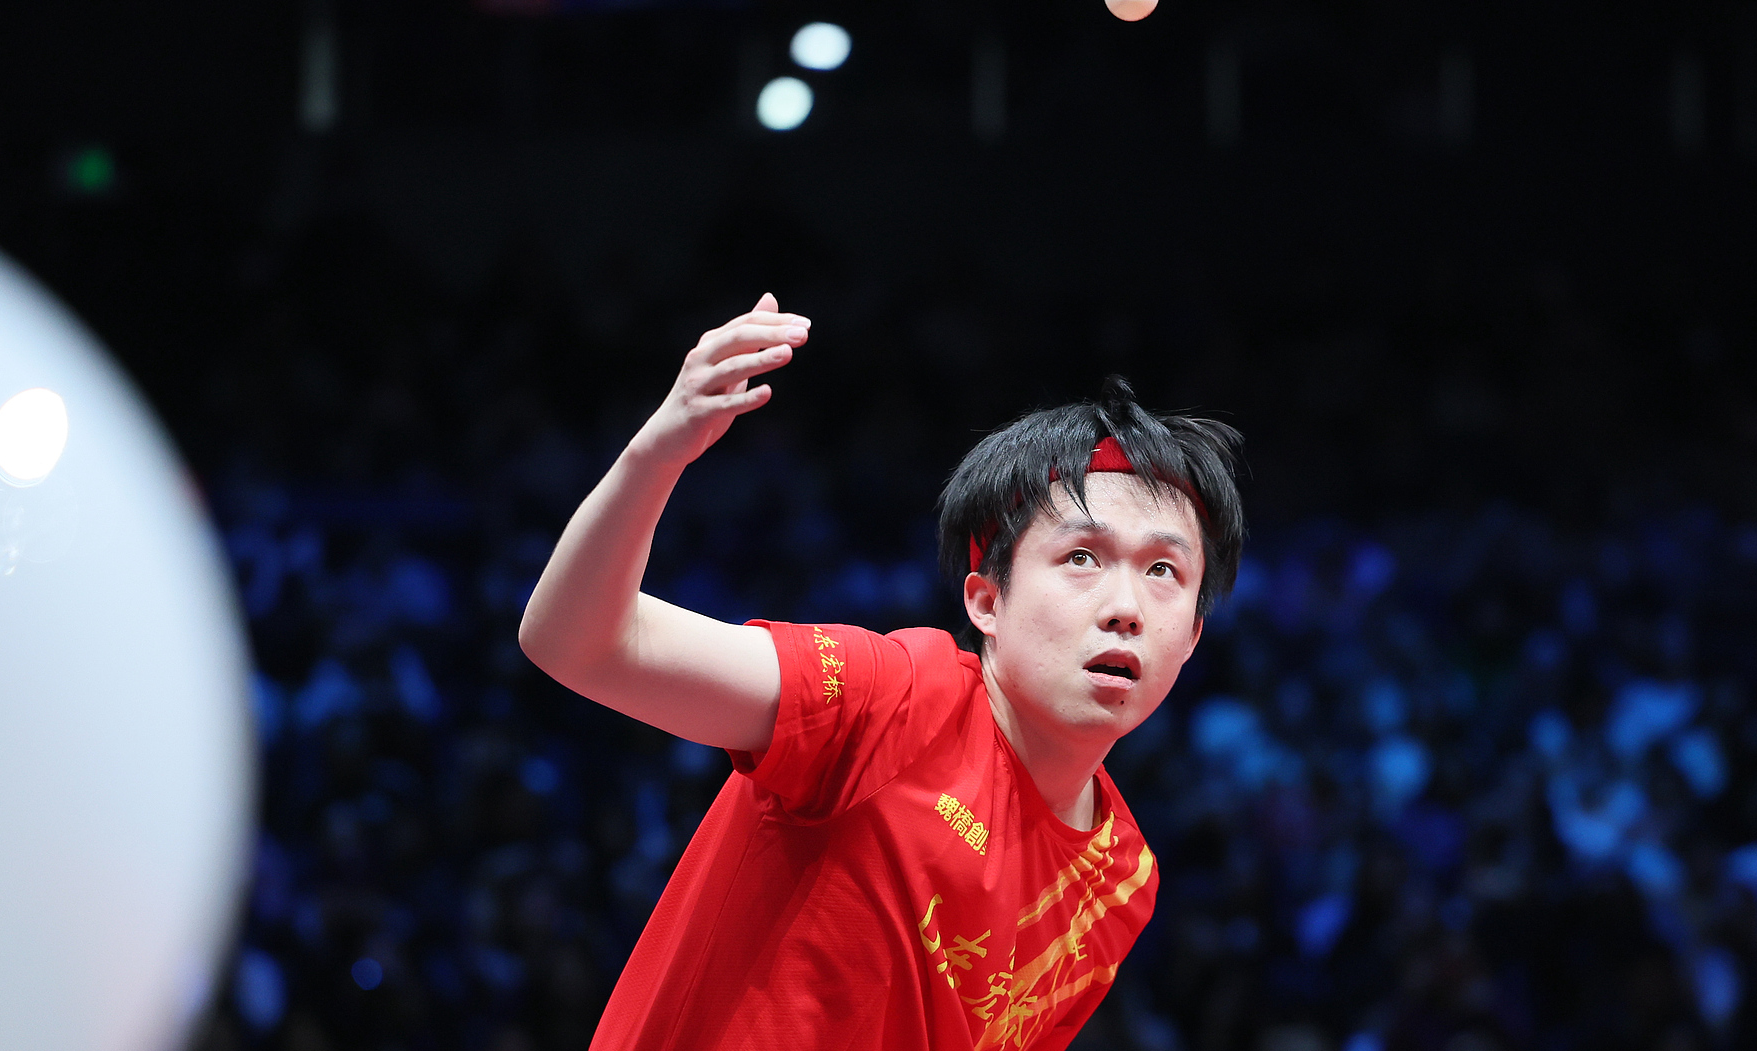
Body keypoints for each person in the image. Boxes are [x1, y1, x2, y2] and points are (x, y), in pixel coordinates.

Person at [518, 294, 1246, 1050]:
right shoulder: (890, 696)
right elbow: (577, 642)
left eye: (1164, 569)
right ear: (987, 600)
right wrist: (657, 452)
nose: (1125, 605)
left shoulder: (1121, 882)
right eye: (1082, 557)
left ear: (1192, 633)